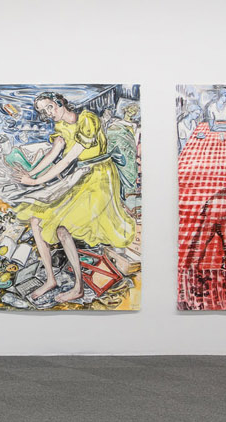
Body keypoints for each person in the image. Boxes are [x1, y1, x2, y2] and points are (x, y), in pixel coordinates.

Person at [10, 93, 137, 304]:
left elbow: (68, 159)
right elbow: (53, 154)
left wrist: (34, 182)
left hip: (100, 179)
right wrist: (30, 173)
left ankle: (78, 287)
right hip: (81, 177)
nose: (48, 114)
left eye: (50, 107)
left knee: (62, 229)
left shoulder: (88, 119)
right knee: (35, 220)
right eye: (43, 111)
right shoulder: (61, 127)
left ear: (60, 102)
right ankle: (50, 279)